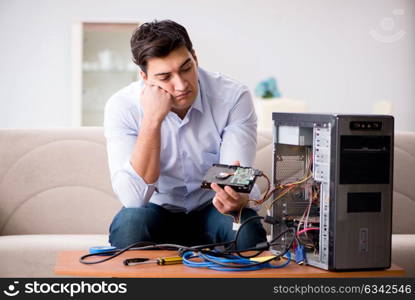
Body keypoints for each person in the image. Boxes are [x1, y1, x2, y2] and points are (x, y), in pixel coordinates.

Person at [104, 19, 266, 250]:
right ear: (145, 77)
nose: (181, 85)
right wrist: (152, 120)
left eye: (186, 68)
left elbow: (234, 178)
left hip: (212, 209)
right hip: (156, 210)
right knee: (130, 224)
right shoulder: (122, 106)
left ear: (195, 57)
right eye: (164, 77)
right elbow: (134, 199)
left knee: (247, 229)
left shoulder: (232, 97)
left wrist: (238, 196)